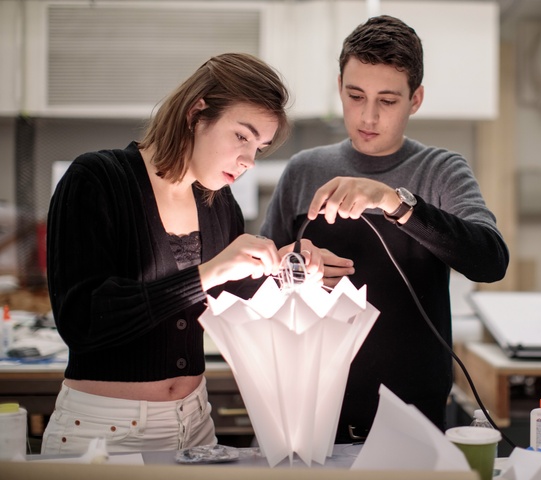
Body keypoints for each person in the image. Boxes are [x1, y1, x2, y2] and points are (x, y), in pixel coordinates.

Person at [42, 53, 323, 454]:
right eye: (242, 136)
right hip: (104, 432)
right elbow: (83, 321)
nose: (248, 160)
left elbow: (232, 302)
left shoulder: (220, 205)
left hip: (195, 423)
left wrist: (287, 269)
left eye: (259, 148)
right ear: (196, 113)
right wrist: (206, 273)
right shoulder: (97, 179)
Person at [260, 15, 509, 443]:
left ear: (416, 100)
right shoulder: (304, 171)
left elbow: (490, 260)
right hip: (312, 411)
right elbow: (252, 283)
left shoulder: (442, 170)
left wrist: (392, 200)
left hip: (413, 415)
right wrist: (292, 268)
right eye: (355, 95)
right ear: (339, 86)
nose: (368, 116)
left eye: (388, 101)